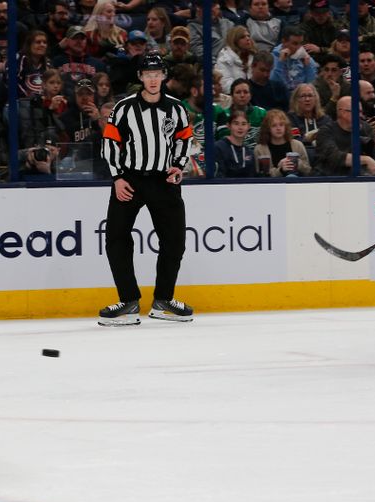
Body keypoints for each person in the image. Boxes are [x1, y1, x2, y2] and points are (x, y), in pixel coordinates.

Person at [99, 52, 194, 325]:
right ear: (140, 77)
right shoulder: (124, 108)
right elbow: (110, 143)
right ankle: (128, 302)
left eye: (157, 74)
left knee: (175, 240)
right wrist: (117, 178)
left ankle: (164, 300)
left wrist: (178, 165)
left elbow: (184, 138)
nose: (153, 79)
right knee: (116, 238)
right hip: (130, 180)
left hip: (164, 180)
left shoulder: (176, 108)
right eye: (147, 74)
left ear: (164, 76)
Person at [315, 96, 375, 176]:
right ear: (342, 112)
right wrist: (365, 160)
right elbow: (335, 157)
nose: (361, 116)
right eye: (357, 112)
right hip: (329, 179)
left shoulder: (366, 128)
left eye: (361, 112)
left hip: (362, 177)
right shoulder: (326, 131)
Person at [254, 108, 311, 177]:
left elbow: (308, 171)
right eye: (274, 125)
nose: (278, 128)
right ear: (268, 128)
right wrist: (281, 170)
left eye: (281, 125)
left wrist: (299, 164)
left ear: (286, 126)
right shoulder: (260, 149)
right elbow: (263, 175)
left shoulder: (297, 145)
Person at [270, 26, 319, 93]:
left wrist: (307, 67)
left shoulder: (305, 57)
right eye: (295, 43)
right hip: (281, 96)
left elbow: (312, 84)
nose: (299, 47)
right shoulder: (273, 57)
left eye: (301, 43)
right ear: (284, 41)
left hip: (301, 96)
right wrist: (280, 62)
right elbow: (273, 83)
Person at [214, 109, 256, 178]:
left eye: (243, 124)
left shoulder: (249, 152)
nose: (240, 127)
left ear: (248, 126)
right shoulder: (218, 147)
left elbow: (252, 177)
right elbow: (218, 175)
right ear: (228, 126)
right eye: (236, 124)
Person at [216, 26, 257, 93]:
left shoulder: (254, 57)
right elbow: (226, 86)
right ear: (234, 41)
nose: (247, 39)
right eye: (242, 37)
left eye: (248, 36)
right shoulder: (224, 59)